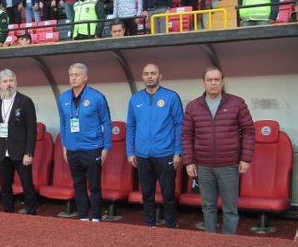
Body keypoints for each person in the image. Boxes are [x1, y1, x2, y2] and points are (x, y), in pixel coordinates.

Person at [182, 67, 255, 234]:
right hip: (204, 166)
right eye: (210, 80)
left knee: (230, 208)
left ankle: (228, 242)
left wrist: (246, 158)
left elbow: (249, 131)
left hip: (229, 165)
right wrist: (189, 162)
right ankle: (211, 239)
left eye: (217, 80)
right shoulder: (193, 107)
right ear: (204, 83)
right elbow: (186, 135)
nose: (213, 83)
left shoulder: (237, 103)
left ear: (222, 82)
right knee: (208, 206)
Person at [125, 64, 184, 228]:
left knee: (168, 193)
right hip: (143, 155)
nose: (149, 76)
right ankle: (149, 224)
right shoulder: (135, 99)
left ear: (160, 76)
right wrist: (130, 152)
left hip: (165, 154)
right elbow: (131, 126)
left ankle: (171, 225)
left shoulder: (171, 97)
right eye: (146, 74)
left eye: (153, 73)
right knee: (147, 193)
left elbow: (180, 125)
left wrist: (178, 151)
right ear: (142, 77)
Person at [57, 63, 112, 221]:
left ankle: (95, 217)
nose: (73, 78)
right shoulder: (63, 98)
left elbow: (106, 123)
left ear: (85, 78)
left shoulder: (97, 97)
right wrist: (65, 146)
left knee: (94, 185)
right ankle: (82, 216)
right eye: (71, 75)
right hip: (72, 149)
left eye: (77, 75)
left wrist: (106, 147)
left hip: (93, 147)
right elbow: (63, 123)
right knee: (78, 184)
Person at [0, 69, 37, 215]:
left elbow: (32, 130)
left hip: (21, 152)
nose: (8, 84)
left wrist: (29, 152)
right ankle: (8, 212)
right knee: (4, 185)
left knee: (27, 184)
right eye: (5, 81)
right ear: (0, 84)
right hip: (2, 151)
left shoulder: (26, 101)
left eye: (11, 81)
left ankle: (31, 211)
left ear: (15, 81)